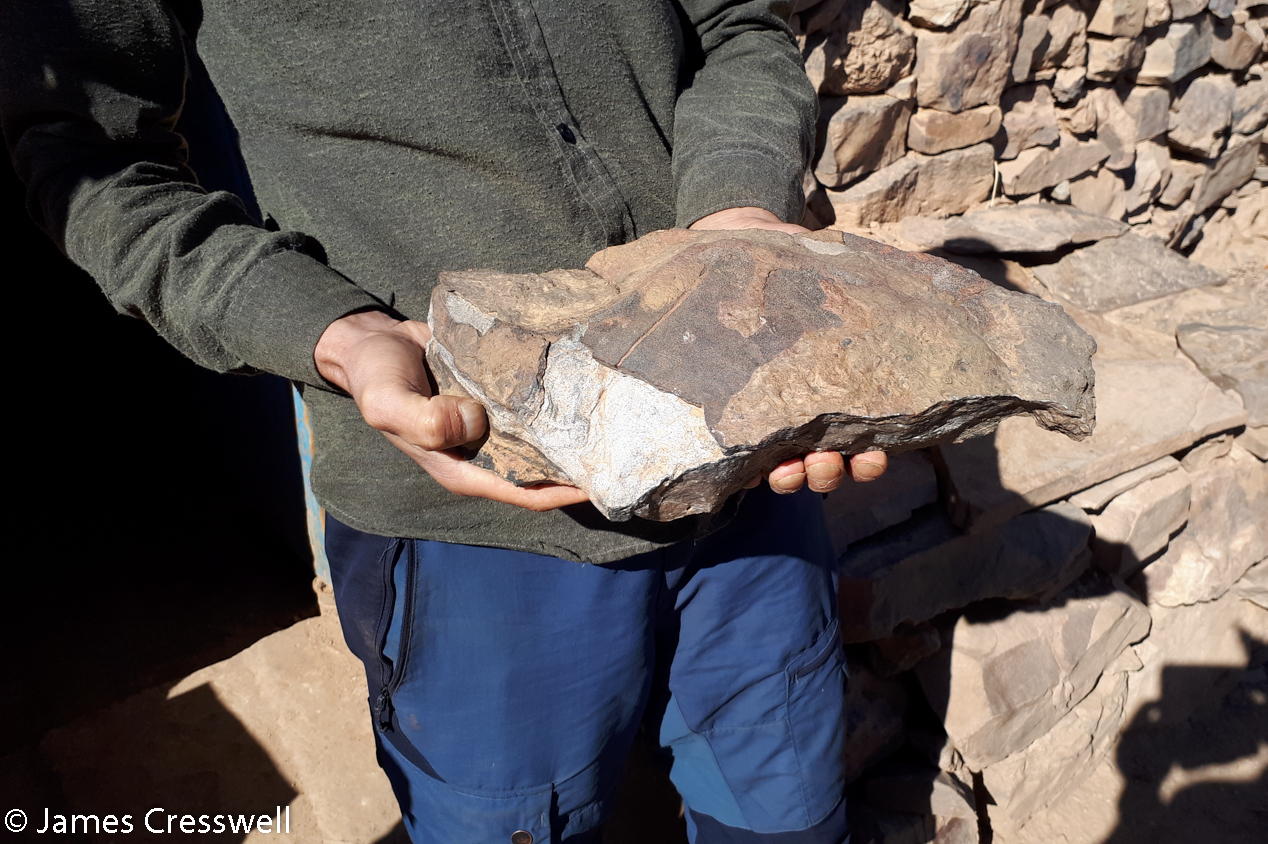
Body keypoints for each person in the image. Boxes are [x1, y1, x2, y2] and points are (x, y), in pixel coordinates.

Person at [1, 2, 887, 841]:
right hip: (468, 531)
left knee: (787, 816)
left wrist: (736, 223)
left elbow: (736, 29)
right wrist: (335, 335)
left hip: (741, 476)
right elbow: (88, 156)